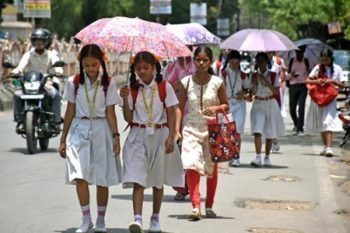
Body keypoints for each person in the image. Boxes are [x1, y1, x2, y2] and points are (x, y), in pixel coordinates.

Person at [58, 44, 122, 233]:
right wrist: (63, 138)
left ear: (101, 63)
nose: (91, 69)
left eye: (94, 65)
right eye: (87, 65)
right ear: (81, 64)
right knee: (80, 175)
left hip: (102, 128)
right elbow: (69, 110)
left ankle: (100, 219)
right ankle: (86, 219)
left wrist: (116, 136)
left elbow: (111, 112)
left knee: (102, 176)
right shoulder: (74, 82)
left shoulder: (108, 83)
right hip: (79, 128)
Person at [119, 51, 184, 233]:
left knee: (157, 180)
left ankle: (155, 218)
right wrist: (125, 99)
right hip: (137, 135)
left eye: (146, 68)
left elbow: (172, 111)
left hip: (160, 134)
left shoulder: (164, 87)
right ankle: (137, 219)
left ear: (154, 67)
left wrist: (172, 136)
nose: (142, 71)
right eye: (138, 68)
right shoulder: (131, 88)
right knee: (137, 178)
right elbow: (128, 117)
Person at [177, 45, 228, 221]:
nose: (201, 63)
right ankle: (195, 206)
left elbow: (225, 105)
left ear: (210, 61)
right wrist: (176, 131)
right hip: (190, 128)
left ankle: (210, 205)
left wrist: (215, 108)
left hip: (212, 130)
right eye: (198, 59)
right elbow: (179, 107)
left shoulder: (217, 82)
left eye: (205, 60)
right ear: (193, 61)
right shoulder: (186, 82)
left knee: (211, 170)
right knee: (191, 165)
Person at [11, 28, 63, 132]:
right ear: (32, 41)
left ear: (46, 41)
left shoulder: (51, 54)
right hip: (29, 84)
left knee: (56, 95)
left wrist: (58, 71)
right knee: (17, 95)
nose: (38, 43)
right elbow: (21, 66)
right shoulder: (28, 54)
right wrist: (15, 71)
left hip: (46, 84)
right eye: (36, 40)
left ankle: (56, 121)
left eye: (41, 40)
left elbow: (58, 66)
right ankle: (20, 119)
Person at [163, 55, 195, 201]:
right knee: (178, 151)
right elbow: (163, 87)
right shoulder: (170, 67)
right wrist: (173, 87)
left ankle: (193, 186)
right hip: (175, 113)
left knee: (191, 151)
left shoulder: (197, 65)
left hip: (194, 113)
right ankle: (181, 187)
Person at [305, 48, 345, 157]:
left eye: (326, 60)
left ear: (331, 59)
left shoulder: (338, 69)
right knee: (321, 124)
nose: (324, 62)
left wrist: (332, 81)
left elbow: (343, 85)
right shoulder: (317, 68)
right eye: (322, 60)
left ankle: (328, 147)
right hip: (319, 99)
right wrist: (317, 81)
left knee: (328, 122)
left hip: (331, 99)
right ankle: (326, 146)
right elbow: (307, 80)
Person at [250, 52, 286, 167]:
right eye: (258, 61)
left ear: (267, 62)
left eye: (262, 61)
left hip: (270, 103)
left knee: (270, 132)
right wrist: (254, 85)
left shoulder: (273, 75)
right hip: (258, 103)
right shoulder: (254, 75)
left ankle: (267, 157)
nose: (260, 63)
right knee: (257, 131)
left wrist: (266, 83)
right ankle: (257, 157)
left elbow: (276, 91)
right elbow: (251, 95)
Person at [220, 50, 251, 167]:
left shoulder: (242, 74)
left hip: (239, 104)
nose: (235, 65)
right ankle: (230, 155)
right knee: (228, 131)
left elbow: (247, 88)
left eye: (237, 63)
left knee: (237, 132)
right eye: (233, 63)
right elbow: (218, 88)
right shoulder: (223, 73)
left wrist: (243, 92)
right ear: (229, 61)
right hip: (227, 104)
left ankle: (236, 157)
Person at [287, 47, 310, 136]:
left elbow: (309, 74)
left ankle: (300, 129)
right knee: (292, 109)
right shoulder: (292, 61)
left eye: (301, 53)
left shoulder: (306, 62)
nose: (299, 55)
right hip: (293, 86)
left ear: (303, 52)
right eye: (298, 53)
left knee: (301, 107)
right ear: (296, 52)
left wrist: (306, 75)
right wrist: (292, 74)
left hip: (303, 86)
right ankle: (297, 124)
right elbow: (287, 76)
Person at [267, 52, 287, 152]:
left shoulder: (279, 61)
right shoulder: (260, 61)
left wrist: (280, 81)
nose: (268, 53)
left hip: (276, 91)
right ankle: (270, 141)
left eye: (269, 51)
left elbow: (283, 77)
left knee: (274, 116)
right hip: (264, 92)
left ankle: (274, 139)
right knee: (266, 119)